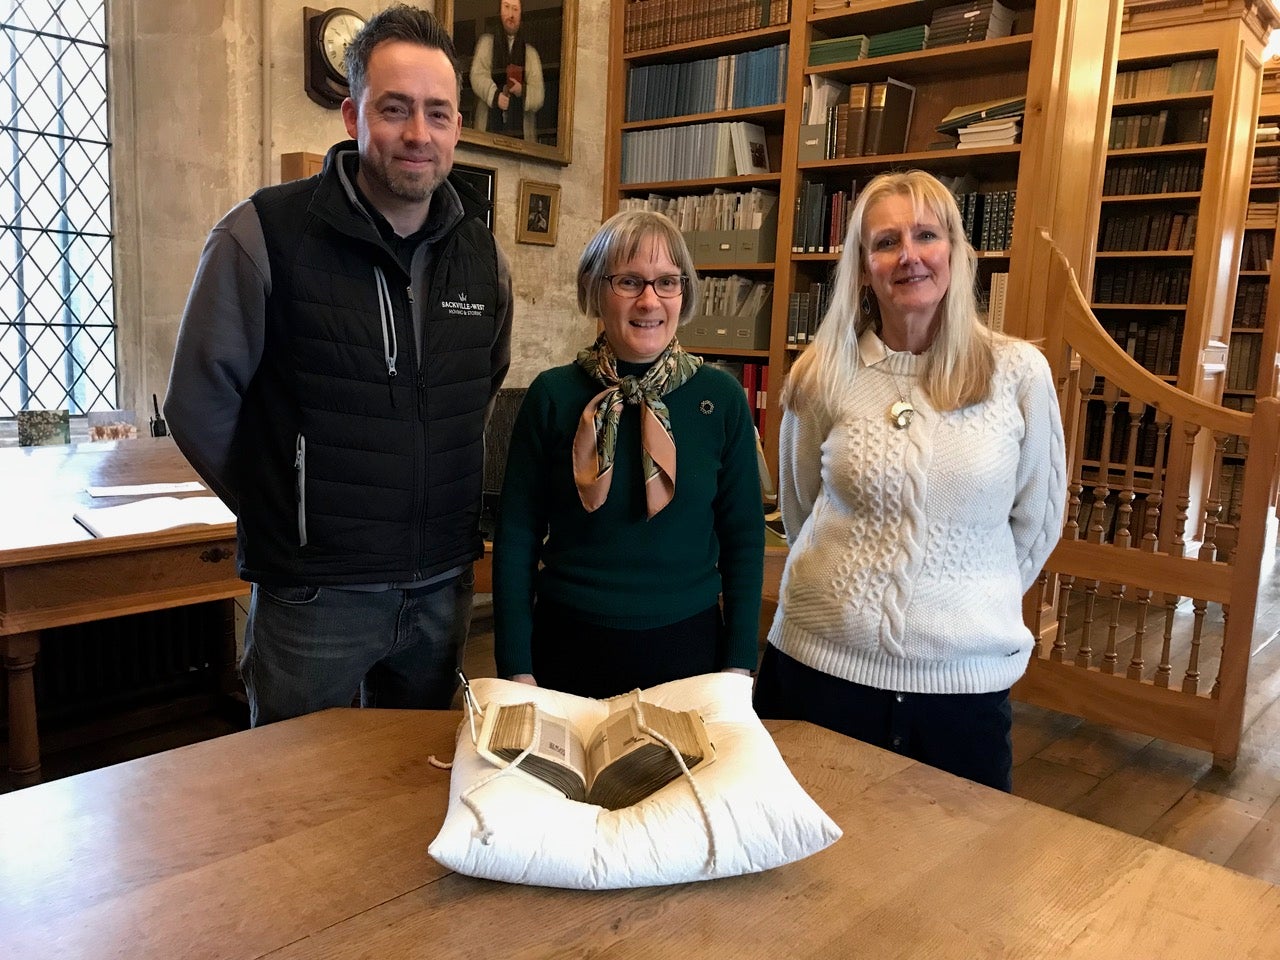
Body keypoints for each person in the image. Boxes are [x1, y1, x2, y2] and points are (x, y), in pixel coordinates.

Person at [164, 5, 513, 726]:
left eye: (438, 114)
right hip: (315, 598)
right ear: (353, 116)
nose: (419, 133)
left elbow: (477, 392)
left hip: (442, 589)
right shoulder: (260, 235)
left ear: (456, 128)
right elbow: (199, 405)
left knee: (416, 795)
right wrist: (288, 510)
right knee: (292, 804)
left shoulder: (483, 258)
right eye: (396, 109)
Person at [753, 170, 1066, 792]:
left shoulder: (1018, 374)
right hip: (820, 666)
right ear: (863, 265)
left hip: (959, 686)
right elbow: (800, 508)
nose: (910, 256)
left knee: (957, 876)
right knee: (797, 876)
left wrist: (959, 596)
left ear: (954, 250)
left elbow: (1037, 520)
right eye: (886, 241)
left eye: (926, 234)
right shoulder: (823, 372)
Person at [492, 210, 764, 697]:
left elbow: (743, 537)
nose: (649, 300)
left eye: (666, 282)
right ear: (596, 289)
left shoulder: (721, 399)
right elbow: (516, 537)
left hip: (689, 648)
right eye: (629, 281)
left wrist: (739, 664)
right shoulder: (551, 396)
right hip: (566, 646)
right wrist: (516, 665)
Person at [469, 0, 545, 141]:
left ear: (521, 14)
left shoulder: (530, 54)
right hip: (488, 129)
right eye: (507, 7)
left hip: (521, 136)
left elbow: (539, 94)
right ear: (499, 10)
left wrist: (522, 90)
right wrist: (496, 95)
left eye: (515, 9)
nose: (511, 15)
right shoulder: (486, 43)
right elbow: (477, 76)